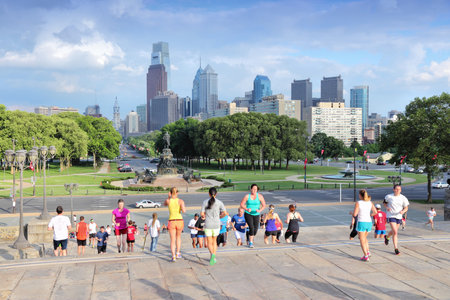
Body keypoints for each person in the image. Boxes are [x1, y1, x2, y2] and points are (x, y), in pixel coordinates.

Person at [201, 187, 226, 265]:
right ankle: (214, 257)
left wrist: (204, 216)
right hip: (216, 224)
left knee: (209, 242)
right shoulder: (219, 202)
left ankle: (212, 254)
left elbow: (202, 214)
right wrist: (219, 217)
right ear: (216, 194)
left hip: (208, 224)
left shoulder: (205, 202)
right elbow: (224, 213)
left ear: (209, 193)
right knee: (214, 241)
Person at [384, 185, 409, 255]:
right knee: (395, 231)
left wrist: (403, 211)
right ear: (393, 189)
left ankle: (387, 237)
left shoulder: (403, 198)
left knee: (394, 231)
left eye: (399, 189)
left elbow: (406, 207)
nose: (398, 190)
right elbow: (384, 203)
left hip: (399, 216)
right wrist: (387, 207)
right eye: (396, 189)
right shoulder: (389, 196)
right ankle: (396, 248)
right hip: (391, 215)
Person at [352, 190, 377, 261]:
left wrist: (352, 213)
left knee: (362, 240)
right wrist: (370, 215)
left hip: (362, 222)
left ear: (360, 195)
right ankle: (368, 252)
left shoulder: (358, 203)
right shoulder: (370, 202)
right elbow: (375, 212)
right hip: (369, 222)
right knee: (365, 238)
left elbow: (355, 214)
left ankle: (365, 256)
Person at [240, 184, 266, 248]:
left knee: (256, 229)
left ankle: (250, 237)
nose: (254, 190)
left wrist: (260, 210)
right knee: (251, 227)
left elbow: (264, 205)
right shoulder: (247, 196)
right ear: (251, 189)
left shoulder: (260, 196)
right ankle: (251, 242)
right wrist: (246, 209)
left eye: (256, 189)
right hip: (248, 214)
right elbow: (241, 204)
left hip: (256, 214)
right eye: (253, 189)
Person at [164, 187, 186, 261]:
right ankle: (178, 253)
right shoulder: (180, 201)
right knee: (178, 237)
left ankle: (173, 256)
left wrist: (169, 197)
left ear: (170, 193)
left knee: (172, 240)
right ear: (177, 193)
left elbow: (164, 204)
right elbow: (184, 211)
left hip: (171, 221)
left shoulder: (168, 201)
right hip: (179, 220)